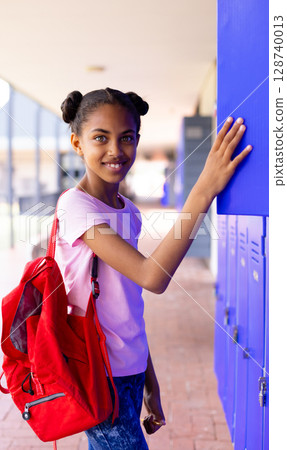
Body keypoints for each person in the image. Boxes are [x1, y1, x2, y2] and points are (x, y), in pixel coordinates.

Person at [55, 88, 252, 449]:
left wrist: (150, 380)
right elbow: (152, 276)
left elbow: (129, 304)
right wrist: (203, 189)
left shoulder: (128, 211)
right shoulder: (75, 208)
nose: (116, 150)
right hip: (98, 373)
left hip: (128, 371)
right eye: (101, 138)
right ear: (78, 144)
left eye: (126, 138)